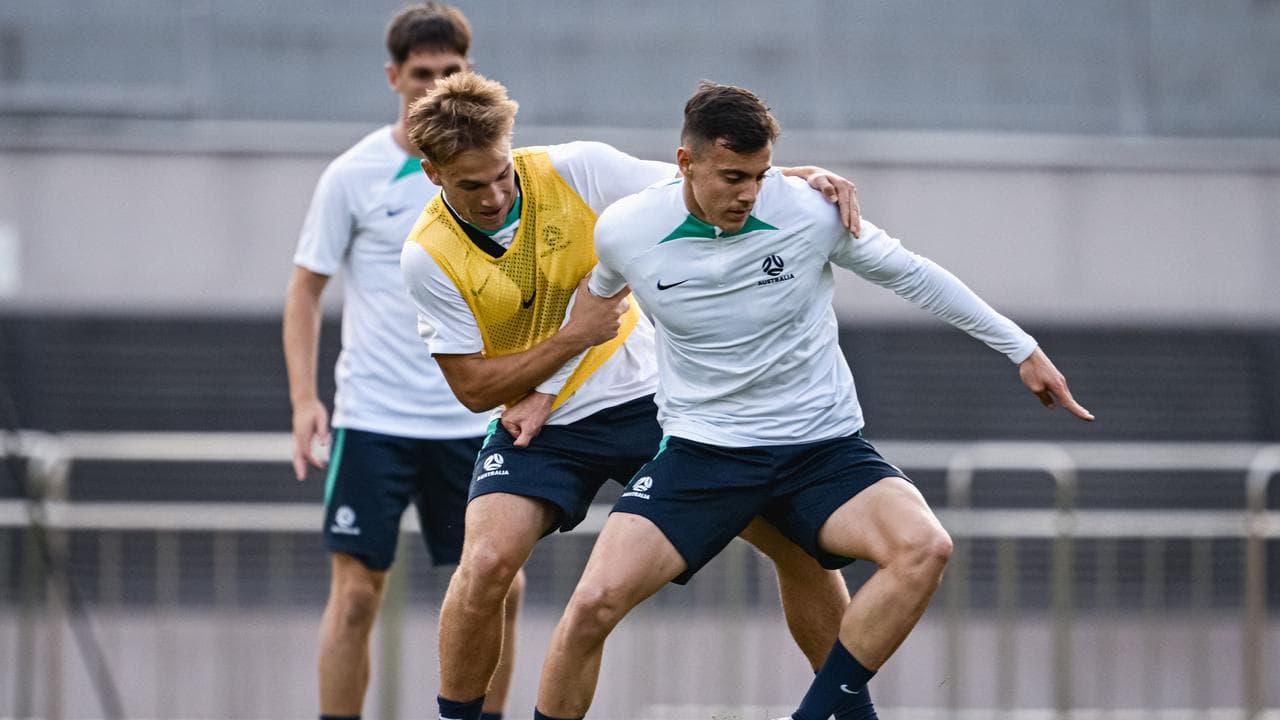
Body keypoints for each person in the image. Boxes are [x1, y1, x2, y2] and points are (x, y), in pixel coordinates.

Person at [532, 81, 1095, 720]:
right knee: (591, 606)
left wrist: (1021, 348)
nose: (749, 193)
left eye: (761, 175)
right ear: (684, 163)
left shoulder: (810, 211)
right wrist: (545, 390)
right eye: (732, 177)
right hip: (703, 453)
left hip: (820, 449)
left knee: (924, 548)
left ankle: (816, 714)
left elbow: (913, 274)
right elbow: (595, 308)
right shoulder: (626, 230)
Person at [398, 72, 876, 720]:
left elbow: (695, 188)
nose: (495, 196)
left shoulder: (577, 170)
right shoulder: (427, 255)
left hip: (653, 405)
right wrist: (571, 341)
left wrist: (801, 179)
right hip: (541, 430)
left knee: (798, 547)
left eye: (502, 175)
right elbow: (474, 389)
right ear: (432, 174)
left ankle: (852, 714)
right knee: (484, 563)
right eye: (471, 185)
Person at [282, 7, 522, 720]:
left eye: (451, 71)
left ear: (469, 73)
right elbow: (304, 289)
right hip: (375, 417)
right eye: (422, 74)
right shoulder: (353, 175)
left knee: (501, 588)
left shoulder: (503, 174)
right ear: (394, 77)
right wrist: (304, 400)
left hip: (470, 419)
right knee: (357, 594)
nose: (435, 85)